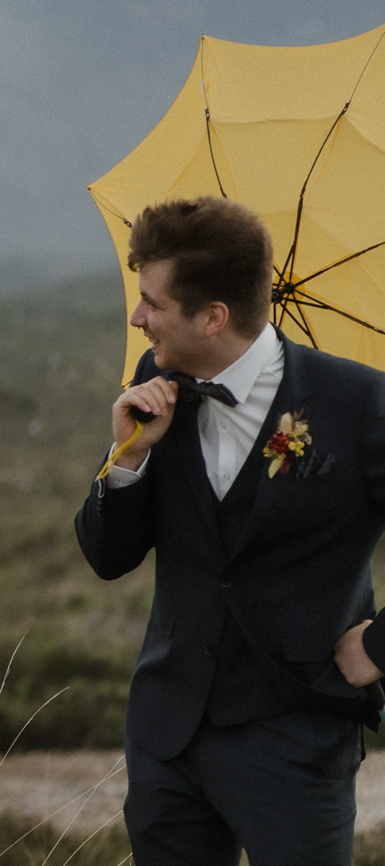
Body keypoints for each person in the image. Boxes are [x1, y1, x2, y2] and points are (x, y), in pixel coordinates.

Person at [76, 197, 385, 865]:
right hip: (166, 738)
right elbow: (107, 557)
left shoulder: (359, 403)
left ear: (212, 316)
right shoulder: (152, 382)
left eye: (151, 302)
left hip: (296, 740)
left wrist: (383, 646)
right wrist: (127, 457)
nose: (136, 317)